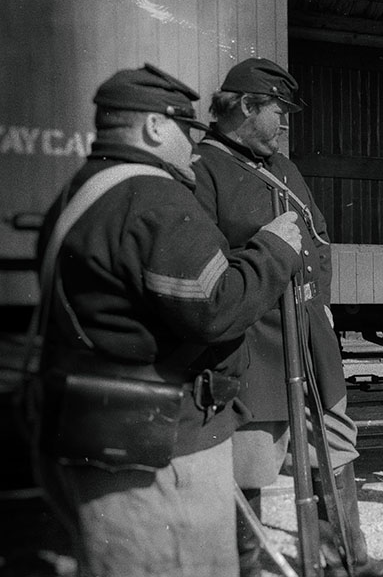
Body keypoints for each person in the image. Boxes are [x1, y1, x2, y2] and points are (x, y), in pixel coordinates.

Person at [30, 64, 304, 576]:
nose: (191, 148)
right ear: (156, 127)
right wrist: (275, 248)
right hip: (161, 446)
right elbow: (216, 307)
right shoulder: (153, 197)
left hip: (98, 429)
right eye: (186, 131)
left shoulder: (82, 190)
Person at [192, 57, 383, 577]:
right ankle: (245, 568)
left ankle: (347, 561)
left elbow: (320, 237)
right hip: (254, 343)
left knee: (334, 446)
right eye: (279, 112)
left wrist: (323, 304)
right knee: (248, 458)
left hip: (309, 336)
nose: (286, 125)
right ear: (246, 106)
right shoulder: (205, 169)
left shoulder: (283, 167)